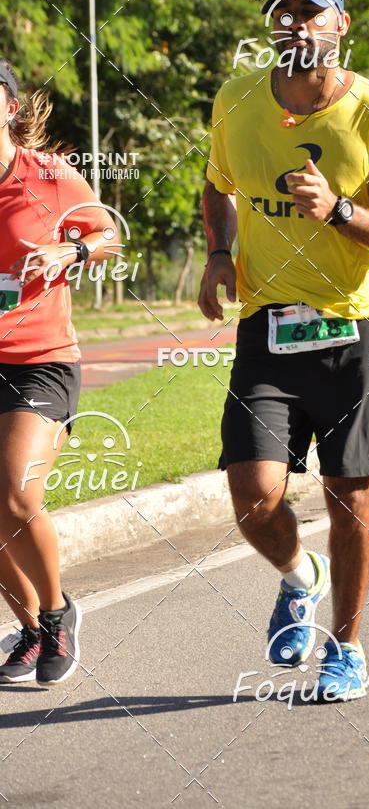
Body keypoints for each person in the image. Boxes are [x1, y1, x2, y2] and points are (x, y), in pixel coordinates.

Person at [199, 0, 369, 700]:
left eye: (310, 14)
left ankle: (347, 646)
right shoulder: (237, 101)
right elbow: (217, 183)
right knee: (253, 496)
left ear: (340, 26)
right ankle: (302, 578)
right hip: (267, 325)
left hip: (352, 326)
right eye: (283, 16)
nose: (295, 26)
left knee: (349, 493)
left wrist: (337, 210)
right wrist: (220, 253)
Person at [0, 58, 116, 686]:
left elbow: (108, 237)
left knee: (17, 493)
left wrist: (70, 249)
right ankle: (28, 631)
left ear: (11, 108)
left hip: (41, 360)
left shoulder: (49, 176)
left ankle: (57, 613)